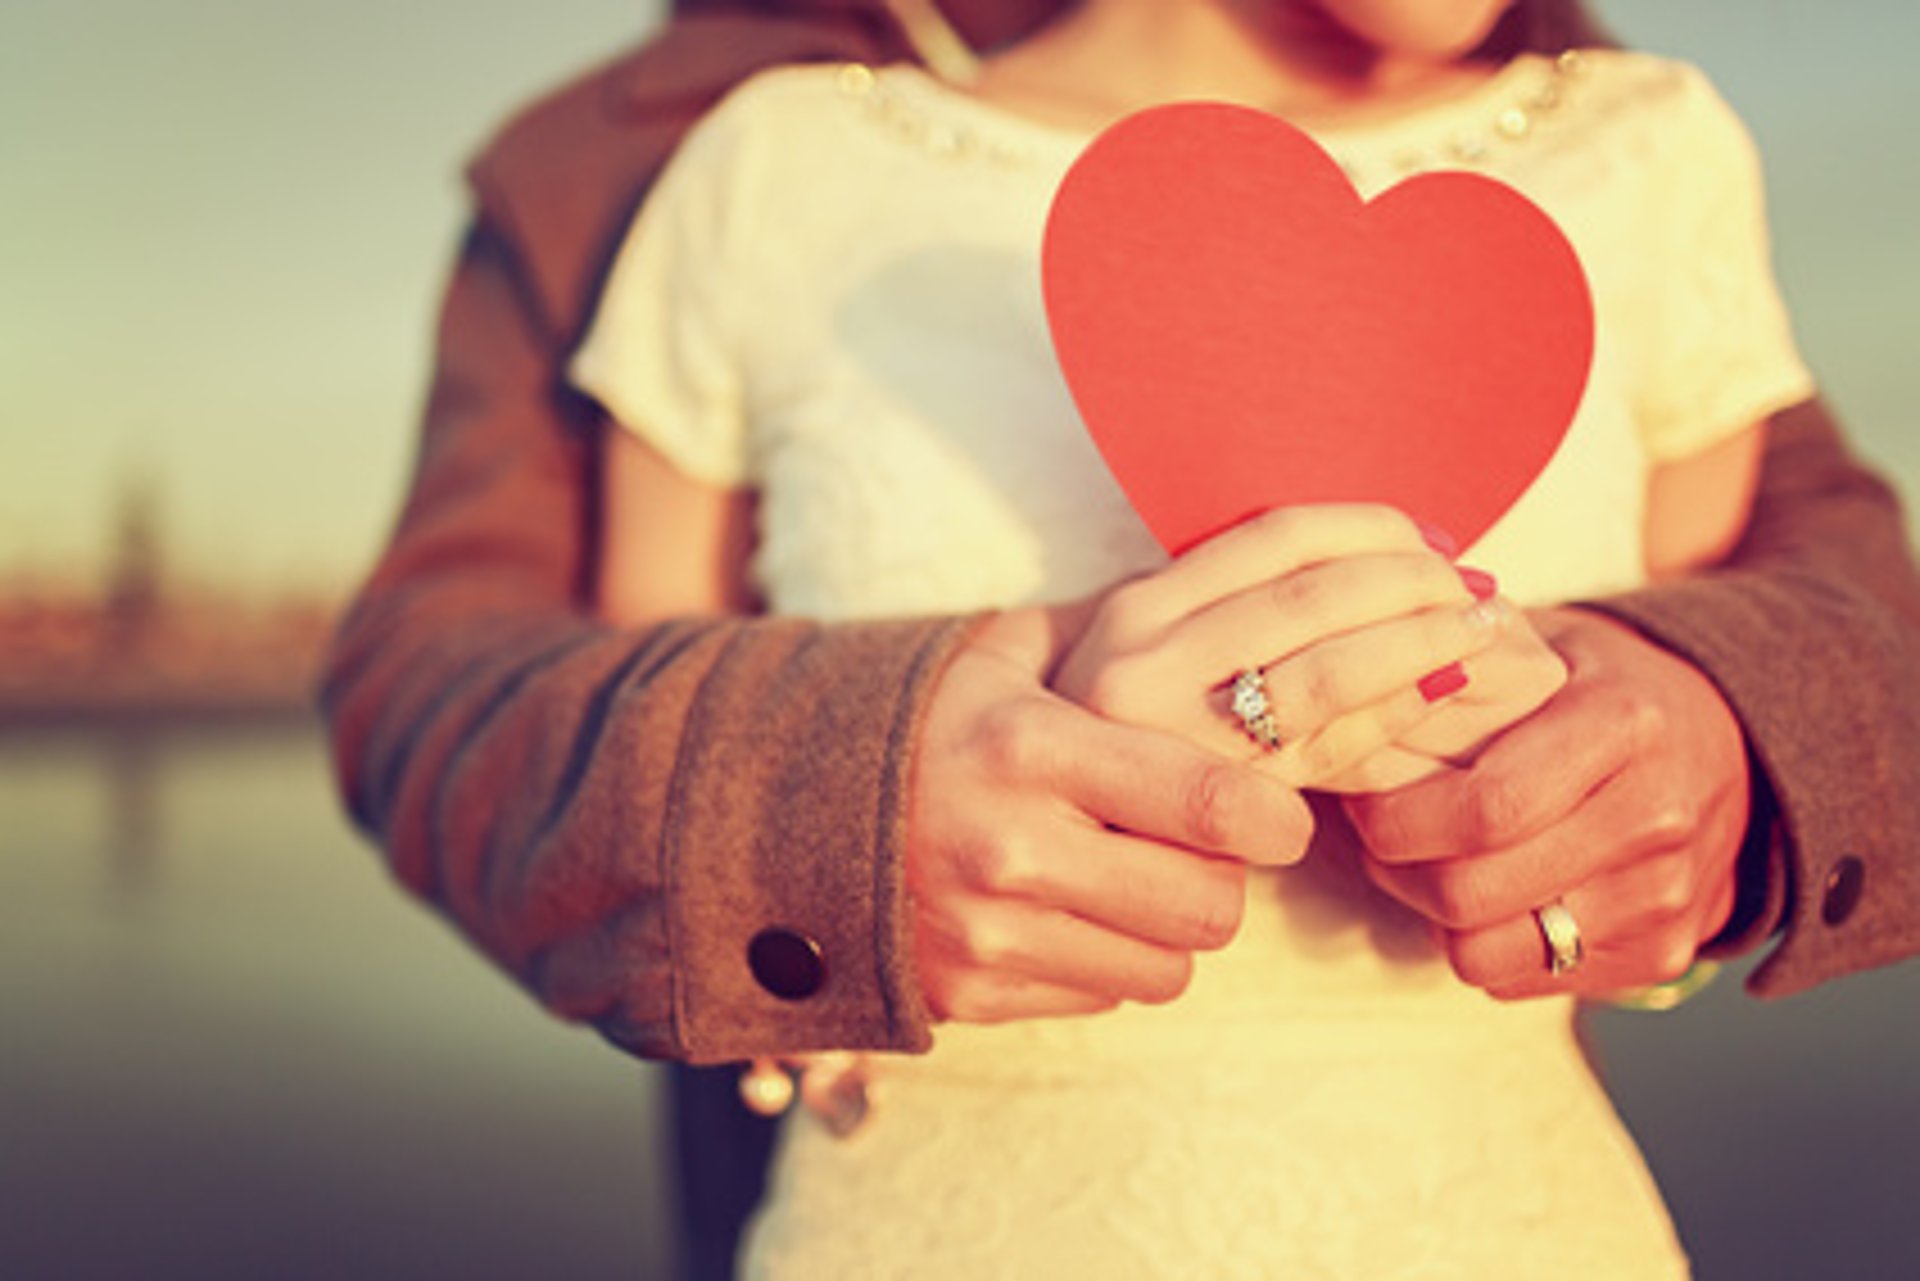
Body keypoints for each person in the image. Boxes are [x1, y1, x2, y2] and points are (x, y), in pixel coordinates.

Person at [322, 0, 1920, 1274]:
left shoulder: (1650, 154)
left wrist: (1687, 766)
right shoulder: (768, 168)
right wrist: (837, 794)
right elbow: (591, 723)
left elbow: (1789, 643)